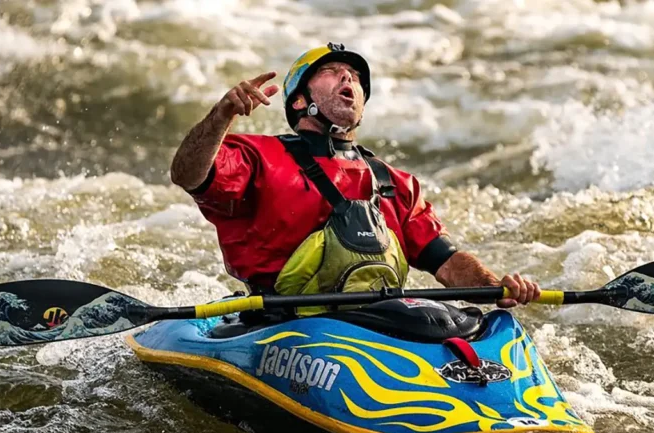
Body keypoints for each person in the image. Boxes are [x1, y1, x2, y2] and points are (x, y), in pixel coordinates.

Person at [170, 42, 540, 312]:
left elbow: (447, 260)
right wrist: (221, 115)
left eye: (356, 77)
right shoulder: (257, 156)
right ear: (300, 100)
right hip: (282, 324)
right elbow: (187, 175)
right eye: (331, 71)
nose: (348, 76)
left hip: (376, 321)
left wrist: (495, 288)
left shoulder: (394, 182)